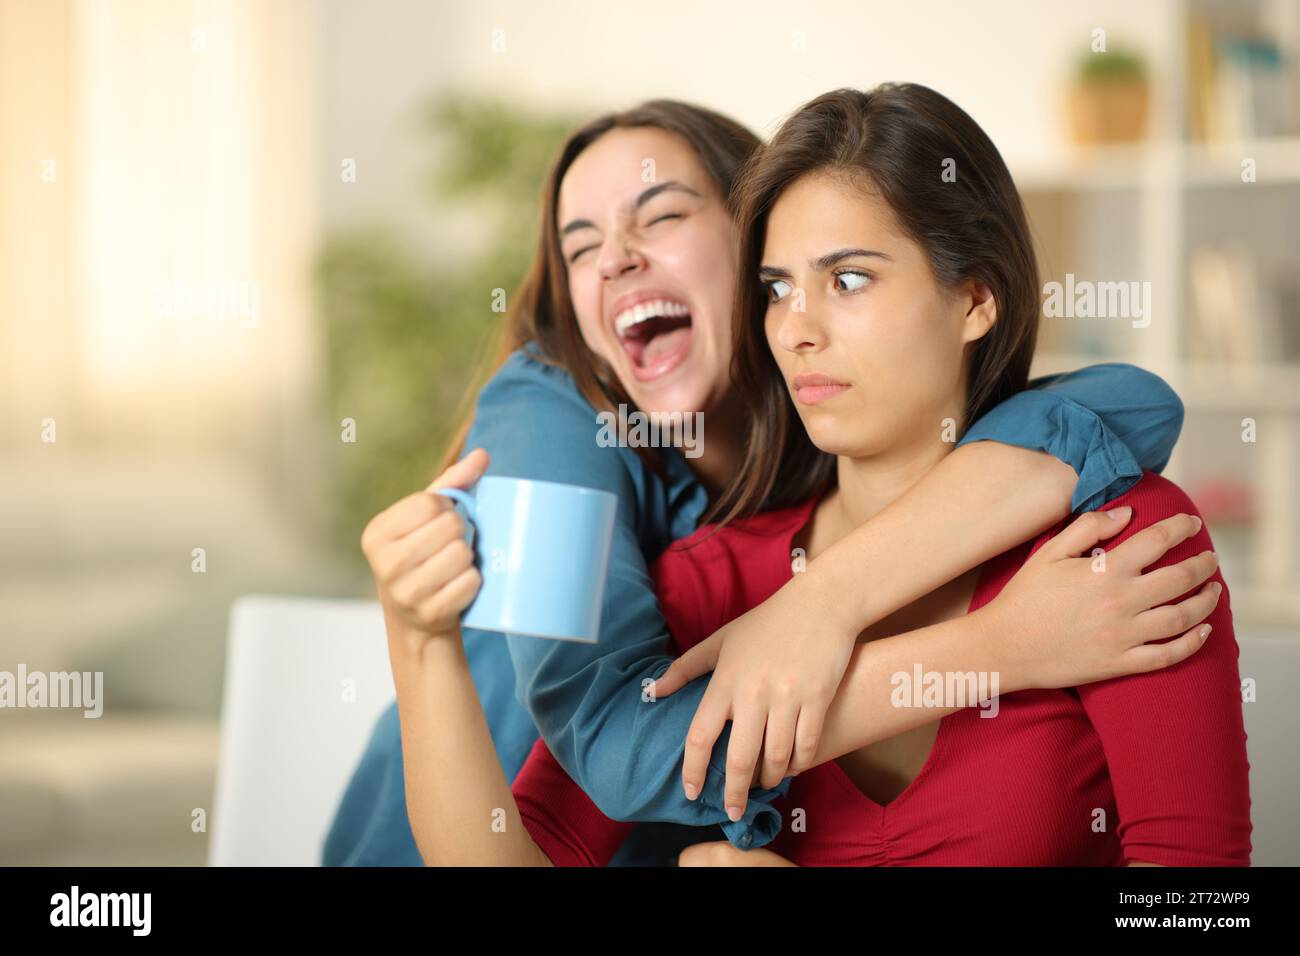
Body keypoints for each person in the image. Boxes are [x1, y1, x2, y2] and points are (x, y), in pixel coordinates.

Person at [325, 96, 1193, 867]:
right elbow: (626, 746)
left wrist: (823, 603)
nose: (615, 258)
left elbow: (1131, 405)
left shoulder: (827, 425)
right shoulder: (548, 422)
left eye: (659, 216)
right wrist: (995, 651)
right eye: (578, 244)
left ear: (758, 236)